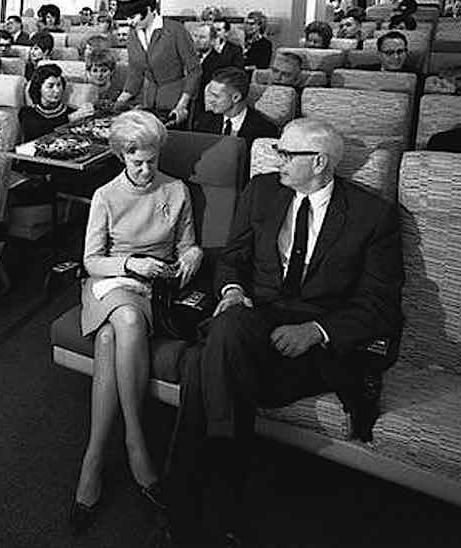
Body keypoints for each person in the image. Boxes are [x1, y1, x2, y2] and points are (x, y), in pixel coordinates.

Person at [163, 118, 404, 546]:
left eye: (286, 154)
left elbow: (380, 306)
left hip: (313, 346)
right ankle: (219, 504)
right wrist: (233, 290)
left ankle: (187, 506)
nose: (277, 160)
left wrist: (316, 330)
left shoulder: (372, 216)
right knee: (230, 324)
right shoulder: (262, 192)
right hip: (252, 321)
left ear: (319, 162)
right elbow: (233, 258)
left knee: (203, 359)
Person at [71, 110, 203, 531]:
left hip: (154, 291)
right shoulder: (105, 195)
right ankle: (134, 441)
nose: (146, 169)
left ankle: (93, 458)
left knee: (113, 337)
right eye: (136, 161)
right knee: (124, 321)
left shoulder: (176, 189)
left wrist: (192, 257)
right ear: (121, 157)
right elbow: (90, 261)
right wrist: (130, 265)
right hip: (110, 282)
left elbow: (187, 244)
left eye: (151, 160)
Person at [112, 0, 200, 126]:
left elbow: (194, 71)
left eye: (132, 16)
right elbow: (135, 73)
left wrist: (182, 104)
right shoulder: (133, 35)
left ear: (148, 8)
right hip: (149, 99)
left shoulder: (175, 30)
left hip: (176, 99)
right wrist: (120, 102)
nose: (130, 22)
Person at [192, 67, 280, 156]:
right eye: (210, 94)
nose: (210, 100)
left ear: (236, 97)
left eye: (216, 96)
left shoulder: (265, 129)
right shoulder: (203, 122)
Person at [19, 63, 91, 141]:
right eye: (50, 86)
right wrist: (69, 119)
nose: (57, 90)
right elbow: (40, 133)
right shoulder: (27, 113)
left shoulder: (72, 112)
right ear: (39, 88)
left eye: (59, 85)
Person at [192, 20, 244, 120]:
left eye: (202, 37)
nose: (197, 40)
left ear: (212, 41)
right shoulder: (188, 57)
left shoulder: (219, 63)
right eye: (195, 36)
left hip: (203, 108)